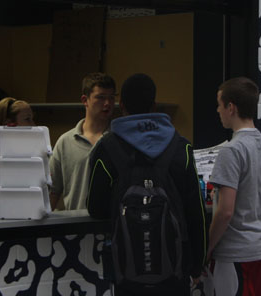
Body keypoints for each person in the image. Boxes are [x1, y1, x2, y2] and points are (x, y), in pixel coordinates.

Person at [87, 73, 207, 295]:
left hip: (127, 273)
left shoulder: (106, 148)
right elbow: (196, 213)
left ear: (121, 104)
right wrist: (197, 264)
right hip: (175, 274)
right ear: (154, 105)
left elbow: (95, 207)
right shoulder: (182, 147)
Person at [207, 77, 261, 296]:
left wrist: (207, 248)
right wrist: (252, 198)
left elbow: (225, 211)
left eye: (219, 104)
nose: (218, 110)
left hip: (234, 253)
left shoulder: (231, 151)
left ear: (231, 107)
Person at [49, 72, 116, 210]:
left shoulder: (119, 141)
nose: (108, 103)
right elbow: (53, 191)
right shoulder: (65, 142)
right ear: (85, 100)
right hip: (75, 226)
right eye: (101, 97)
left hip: (110, 226)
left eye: (111, 98)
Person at [0, 97, 35, 214]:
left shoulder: (31, 157)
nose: (33, 125)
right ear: (9, 124)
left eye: (32, 119)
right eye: (27, 119)